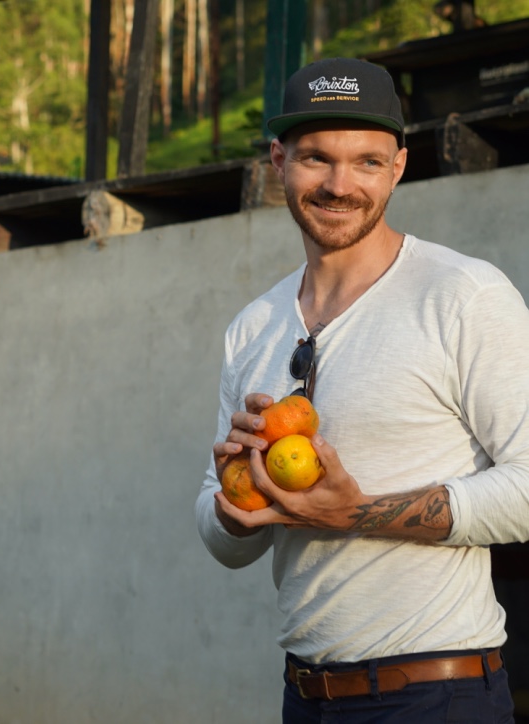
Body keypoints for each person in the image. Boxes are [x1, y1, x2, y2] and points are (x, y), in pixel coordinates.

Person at [195, 57, 529, 722]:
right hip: (306, 695)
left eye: (367, 162)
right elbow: (222, 530)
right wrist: (237, 502)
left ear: (399, 166)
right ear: (278, 160)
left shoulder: (463, 294)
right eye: (317, 158)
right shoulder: (253, 327)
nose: (339, 185)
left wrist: (354, 512)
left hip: (438, 693)